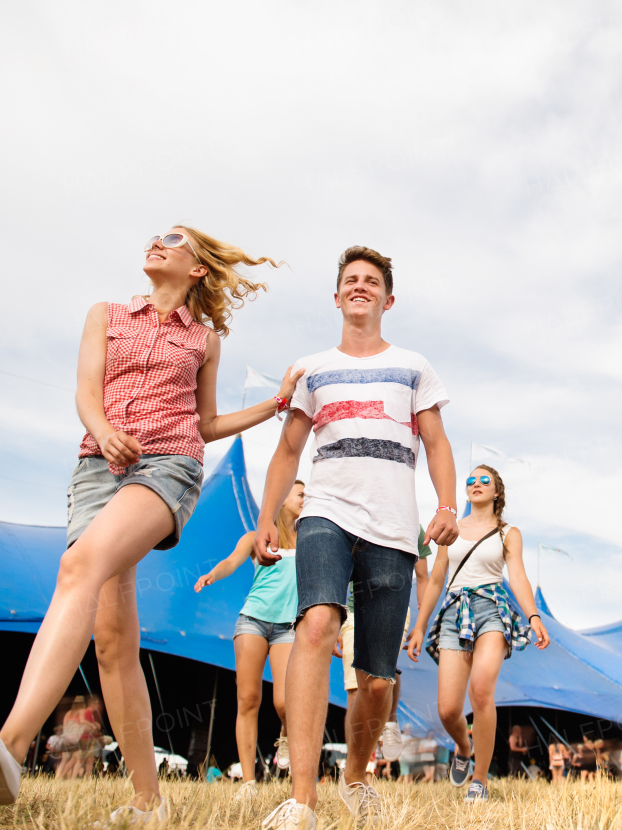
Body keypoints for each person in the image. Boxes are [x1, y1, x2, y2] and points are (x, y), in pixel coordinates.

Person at [0, 226, 300, 821]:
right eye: (155, 236)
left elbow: (205, 424)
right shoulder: (105, 314)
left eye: (173, 239)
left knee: (77, 566)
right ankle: (148, 801)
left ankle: (9, 745)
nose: (155, 243)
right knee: (113, 643)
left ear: (197, 270)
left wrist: (276, 403)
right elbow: (87, 392)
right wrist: (105, 431)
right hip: (96, 469)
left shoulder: (204, 341)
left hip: (167, 469)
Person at [255, 247, 459, 830]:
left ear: (387, 300)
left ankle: (356, 775)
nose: (361, 287)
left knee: (375, 681)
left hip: (393, 528)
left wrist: (445, 505)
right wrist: (270, 516)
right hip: (325, 514)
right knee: (316, 625)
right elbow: (289, 450)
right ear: (338, 295)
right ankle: (302, 800)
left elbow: (438, 444)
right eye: (351, 280)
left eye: (372, 282)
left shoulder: (414, 367)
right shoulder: (312, 369)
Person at [407, 464, 551, 802]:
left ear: (496, 492)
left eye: (484, 480)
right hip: (455, 611)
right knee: (447, 709)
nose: (475, 484)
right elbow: (438, 578)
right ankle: (463, 745)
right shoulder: (451, 529)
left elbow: (517, 576)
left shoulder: (507, 532)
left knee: (482, 689)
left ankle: (480, 779)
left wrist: (532, 615)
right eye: (470, 480)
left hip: (492, 609)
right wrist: (419, 625)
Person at [194, 479, 306, 799]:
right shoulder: (257, 538)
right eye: (300, 494)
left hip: (287, 626)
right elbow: (232, 561)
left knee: (284, 702)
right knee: (248, 700)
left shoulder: (308, 540)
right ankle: (248, 782)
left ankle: (285, 733)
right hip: (253, 621)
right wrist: (212, 575)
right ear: (282, 499)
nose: (304, 499)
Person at [335, 528, 432, 771]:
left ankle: (390, 719)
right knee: (355, 689)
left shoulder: (412, 524)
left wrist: (421, 625)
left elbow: (422, 579)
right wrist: (333, 623)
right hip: (353, 611)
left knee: (382, 676)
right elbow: (336, 573)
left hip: (395, 609)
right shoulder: (354, 514)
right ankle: (355, 765)